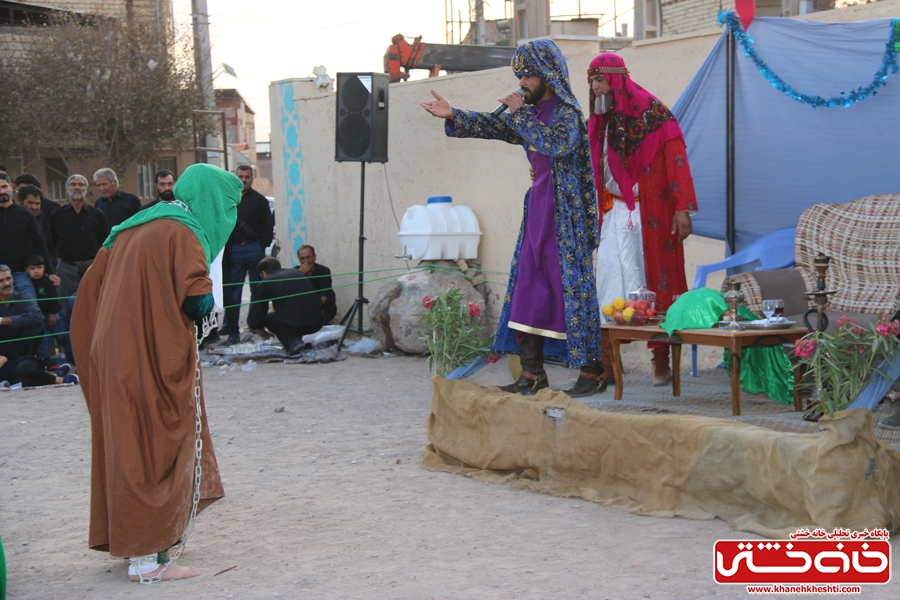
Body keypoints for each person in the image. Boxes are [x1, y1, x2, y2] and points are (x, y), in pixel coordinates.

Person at [70, 163, 241, 582]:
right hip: (151, 356)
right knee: (156, 446)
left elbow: (89, 292)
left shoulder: (130, 226)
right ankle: (146, 560)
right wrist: (209, 311)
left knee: (128, 442)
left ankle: (143, 545)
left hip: (112, 353)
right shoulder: (182, 232)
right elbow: (197, 301)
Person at [421, 39, 604, 397]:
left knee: (570, 292)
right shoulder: (529, 115)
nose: (521, 82)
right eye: (518, 76)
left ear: (547, 76)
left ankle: (593, 373)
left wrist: (520, 114)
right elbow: (498, 128)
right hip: (538, 211)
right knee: (528, 289)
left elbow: (555, 144)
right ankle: (532, 374)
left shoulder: (568, 115)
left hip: (565, 218)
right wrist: (455, 114)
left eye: (527, 76)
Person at [586, 53, 699, 386]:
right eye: (591, 81)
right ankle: (607, 365)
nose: (594, 88)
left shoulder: (655, 115)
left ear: (617, 80)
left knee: (657, 282)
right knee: (609, 280)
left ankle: (660, 360)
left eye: (600, 80)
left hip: (653, 211)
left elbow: (677, 160)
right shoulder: (599, 121)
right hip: (615, 212)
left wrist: (682, 209)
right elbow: (585, 163)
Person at [219, 165, 274, 346]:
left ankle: (255, 324)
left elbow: (268, 225)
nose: (243, 180)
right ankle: (231, 327)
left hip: (254, 249)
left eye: (247, 177)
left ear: (252, 178)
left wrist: (261, 245)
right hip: (233, 250)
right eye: (240, 176)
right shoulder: (227, 200)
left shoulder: (260, 201)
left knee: (258, 290)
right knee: (232, 291)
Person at [0, 264, 72, 387]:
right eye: (1, 281)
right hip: (4, 356)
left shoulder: (23, 297)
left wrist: (3, 320)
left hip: (25, 353)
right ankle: (57, 377)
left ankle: (57, 377)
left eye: (8, 278)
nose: (6, 283)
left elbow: (37, 316)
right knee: (19, 380)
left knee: (23, 369)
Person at [49, 174, 110, 299]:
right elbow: (51, 242)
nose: (77, 187)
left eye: (81, 185)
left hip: (91, 267)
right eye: (73, 185)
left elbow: (105, 242)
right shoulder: (57, 215)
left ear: (86, 189)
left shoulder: (97, 215)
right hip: (65, 269)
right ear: (67, 189)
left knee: (94, 302)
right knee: (66, 306)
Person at [249, 257, 325, 354]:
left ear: (264, 273)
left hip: (296, 324)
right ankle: (296, 339)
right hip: (317, 321)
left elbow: (255, 315)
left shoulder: (266, 282)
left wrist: (264, 335)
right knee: (291, 314)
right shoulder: (298, 273)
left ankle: (292, 343)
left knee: (269, 319)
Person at [0, 173, 58, 297]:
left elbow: (39, 243)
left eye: (4, 187)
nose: (2, 191)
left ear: (10, 187)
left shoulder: (25, 214)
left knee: (31, 311)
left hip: (22, 273)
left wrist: (50, 271)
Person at [24, 254, 63, 360]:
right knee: (47, 337)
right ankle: (52, 356)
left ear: (44, 267)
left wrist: (52, 314)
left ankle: (63, 354)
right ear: (26, 270)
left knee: (60, 334)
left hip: (53, 313)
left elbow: (54, 298)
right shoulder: (29, 284)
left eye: (39, 268)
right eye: (32, 268)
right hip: (41, 315)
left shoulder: (47, 282)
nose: (36, 271)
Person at [296, 245, 337, 322]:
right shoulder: (295, 272)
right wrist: (300, 274)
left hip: (319, 302)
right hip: (303, 303)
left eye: (308, 257)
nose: (306, 261)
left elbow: (325, 290)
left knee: (330, 294)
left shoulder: (324, 270)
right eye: (302, 258)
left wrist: (317, 307)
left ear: (314, 257)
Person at [18, 184, 54, 255]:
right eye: (30, 203)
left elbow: (48, 242)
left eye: (37, 204)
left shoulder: (41, 217)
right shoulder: (11, 218)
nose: (34, 207)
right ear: (19, 200)